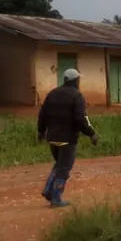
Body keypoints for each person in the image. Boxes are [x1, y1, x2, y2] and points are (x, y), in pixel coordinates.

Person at [37, 68, 98, 208]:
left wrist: (40, 133)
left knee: (59, 164)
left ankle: (48, 190)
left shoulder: (52, 94)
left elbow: (42, 116)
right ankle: (56, 198)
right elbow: (80, 119)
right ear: (75, 81)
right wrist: (91, 133)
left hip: (52, 137)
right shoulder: (77, 96)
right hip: (67, 138)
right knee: (64, 168)